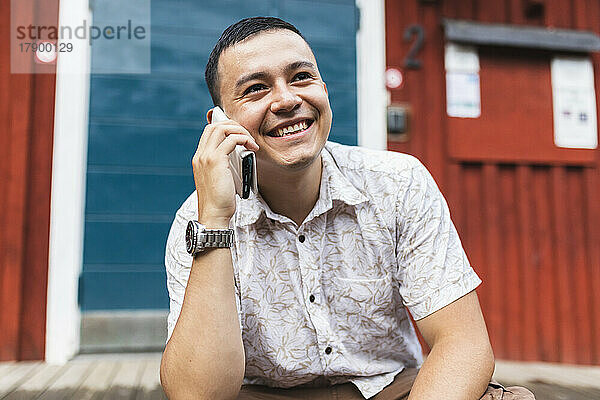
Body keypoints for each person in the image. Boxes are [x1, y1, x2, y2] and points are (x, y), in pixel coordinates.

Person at [159, 17, 535, 400]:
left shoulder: (397, 183)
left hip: (391, 390)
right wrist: (215, 223)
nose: (288, 100)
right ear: (220, 123)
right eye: (256, 89)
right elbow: (196, 394)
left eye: (302, 77)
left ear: (323, 88)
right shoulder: (198, 221)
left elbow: (463, 343)